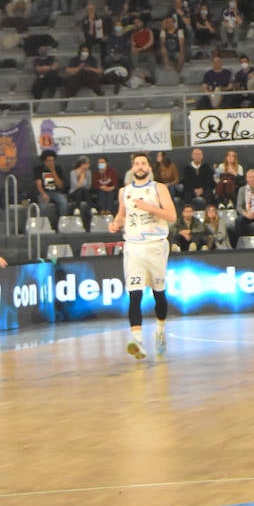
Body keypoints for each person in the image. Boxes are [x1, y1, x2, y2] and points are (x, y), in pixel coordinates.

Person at [108, 152, 176, 360]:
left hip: (155, 245)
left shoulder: (158, 188)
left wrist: (149, 207)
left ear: (149, 168)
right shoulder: (125, 191)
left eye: (143, 163)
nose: (140, 166)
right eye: (136, 163)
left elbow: (172, 216)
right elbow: (122, 214)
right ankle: (137, 341)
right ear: (132, 168)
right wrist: (115, 223)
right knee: (134, 294)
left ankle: (160, 331)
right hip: (134, 247)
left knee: (159, 294)